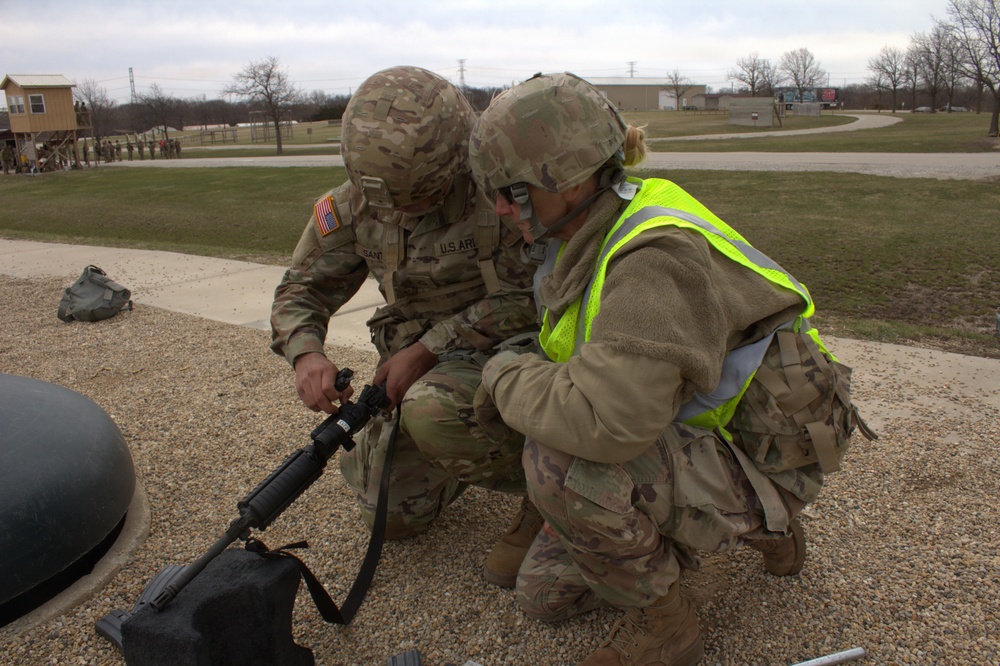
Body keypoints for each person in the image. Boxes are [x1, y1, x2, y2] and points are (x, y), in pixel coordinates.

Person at [468, 73, 871, 665]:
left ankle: (672, 622)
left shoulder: (652, 259)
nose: (501, 208)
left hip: (762, 453)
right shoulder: (586, 226)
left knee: (559, 462)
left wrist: (500, 377)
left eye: (513, 190)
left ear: (572, 178)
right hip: (702, 426)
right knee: (542, 595)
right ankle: (702, 531)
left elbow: (607, 423)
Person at [270, 66, 541, 587]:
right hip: (419, 369)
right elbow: (302, 288)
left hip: (519, 355)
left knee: (430, 408)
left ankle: (553, 490)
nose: (398, 212)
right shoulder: (354, 204)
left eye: (416, 197)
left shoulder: (505, 195)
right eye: (386, 199)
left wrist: (431, 349)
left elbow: (543, 296)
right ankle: (445, 443)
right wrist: (306, 353)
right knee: (393, 518)